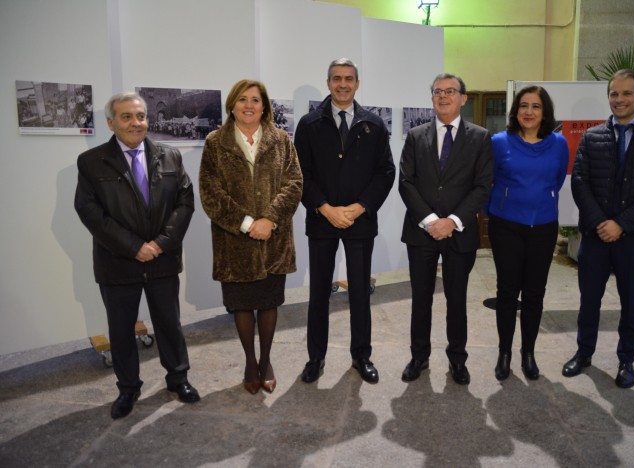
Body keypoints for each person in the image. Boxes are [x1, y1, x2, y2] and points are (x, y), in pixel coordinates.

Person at [74, 92, 199, 419]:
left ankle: (178, 378)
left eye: (141, 116)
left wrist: (160, 244)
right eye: (127, 117)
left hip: (163, 259)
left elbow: (185, 202)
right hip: (117, 262)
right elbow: (89, 211)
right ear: (111, 122)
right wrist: (133, 247)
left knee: (169, 323)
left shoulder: (170, 156)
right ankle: (128, 389)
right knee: (121, 330)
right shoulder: (91, 163)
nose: (136, 123)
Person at [562, 69, 634, 388]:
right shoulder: (592, 136)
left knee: (631, 301)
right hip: (596, 237)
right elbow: (580, 182)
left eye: (626, 93)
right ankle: (584, 354)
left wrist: (621, 224)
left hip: (633, 238)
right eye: (614, 94)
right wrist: (602, 223)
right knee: (589, 300)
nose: (619, 99)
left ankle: (627, 361)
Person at [295, 58, 395, 384]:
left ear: (357, 83)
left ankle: (361, 356)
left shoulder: (374, 125)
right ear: (328, 82)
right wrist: (325, 208)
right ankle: (315, 358)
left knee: (359, 295)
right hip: (322, 222)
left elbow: (385, 172)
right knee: (319, 294)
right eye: (336, 78)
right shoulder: (309, 124)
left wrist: (361, 206)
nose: (342, 84)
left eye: (348, 78)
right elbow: (301, 175)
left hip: (360, 223)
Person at [199, 79, 302, 395]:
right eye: (242, 99)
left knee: (269, 304)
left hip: (274, 240)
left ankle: (266, 361)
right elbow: (210, 193)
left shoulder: (282, 140)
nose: (248, 105)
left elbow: (294, 184)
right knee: (242, 306)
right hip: (235, 243)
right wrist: (247, 224)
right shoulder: (216, 143)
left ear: (264, 106)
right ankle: (248, 361)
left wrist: (269, 220)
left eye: (255, 100)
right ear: (232, 104)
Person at [399, 73, 493, 385]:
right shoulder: (415, 136)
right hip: (421, 232)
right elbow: (406, 183)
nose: (443, 96)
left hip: (460, 232)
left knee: (457, 299)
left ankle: (457, 360)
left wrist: (451, 221)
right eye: (438, 92)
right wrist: (430, 222)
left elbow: (482, 186)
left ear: (463, 99)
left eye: (450, 91)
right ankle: (419, 357)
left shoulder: (480, 137)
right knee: (420, 299)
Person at [486, 86, 569, 381]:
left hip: (543, 226)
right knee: (507, 292)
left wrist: (539, 202)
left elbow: (557, 181)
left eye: (535, 106)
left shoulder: (559, 144)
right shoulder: (498, 142)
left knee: (535, 293)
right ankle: (505, 352)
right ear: (515, 110)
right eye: (523, 105)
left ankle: (528, 354)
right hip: (506, 226)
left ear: (544, 112)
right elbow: (488, 181)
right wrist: (500, 206)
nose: (529, 112)